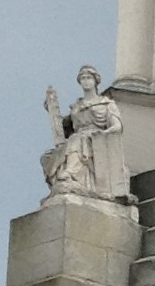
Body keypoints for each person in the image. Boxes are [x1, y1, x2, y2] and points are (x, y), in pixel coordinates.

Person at [41, 67, 132, 202]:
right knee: (47, 156)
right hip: (77, 138)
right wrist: (51, 108)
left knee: (78, 139)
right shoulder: (77, 106)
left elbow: (117, 126)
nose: (86, 82)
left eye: (89, 78)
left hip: (96, 137)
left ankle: (71, 173)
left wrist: (102, 133)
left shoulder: (106, 104)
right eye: (83, 79)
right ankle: (64, 181)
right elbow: (63, 127)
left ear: (96, 81)